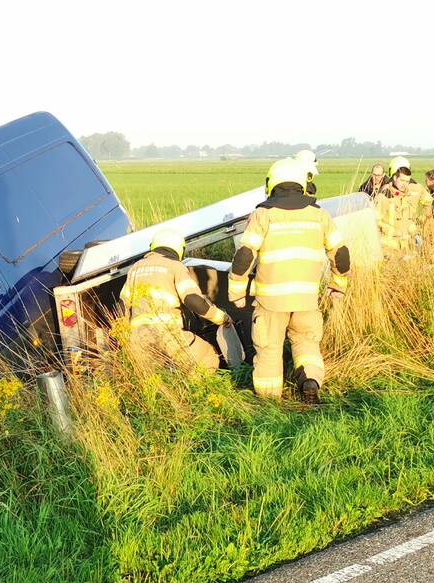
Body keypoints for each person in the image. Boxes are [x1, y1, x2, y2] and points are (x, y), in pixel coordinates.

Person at [227, 158, 351, 403]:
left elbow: (244, 257)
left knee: (269, 349)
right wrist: (338, 284)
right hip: (306, 299)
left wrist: (237, 293)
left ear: (272, 183)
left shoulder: (263, 215)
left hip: (271, 301)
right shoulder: (319, 215)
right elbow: (341, 254)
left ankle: (270, 402)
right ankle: (310, 381)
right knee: (306, 343)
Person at [119, 228, 232, 370]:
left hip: (138, 341)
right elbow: (193, 300)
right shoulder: (175, 266)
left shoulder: (135, 268)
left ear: (154, 246)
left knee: (159, 378)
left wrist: (125, 337)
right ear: (179, 249)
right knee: (208, 358)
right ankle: (194, 391)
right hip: (167, 335)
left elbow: (122, 306)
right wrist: (222, 318)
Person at [375, 157, 433, 256]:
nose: (405, 184)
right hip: (392, 243)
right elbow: (429, 205)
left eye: (406, 181)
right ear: (395, 177)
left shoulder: (385, 190)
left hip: (407, 241)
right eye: (402, 180)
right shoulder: (417, 188)